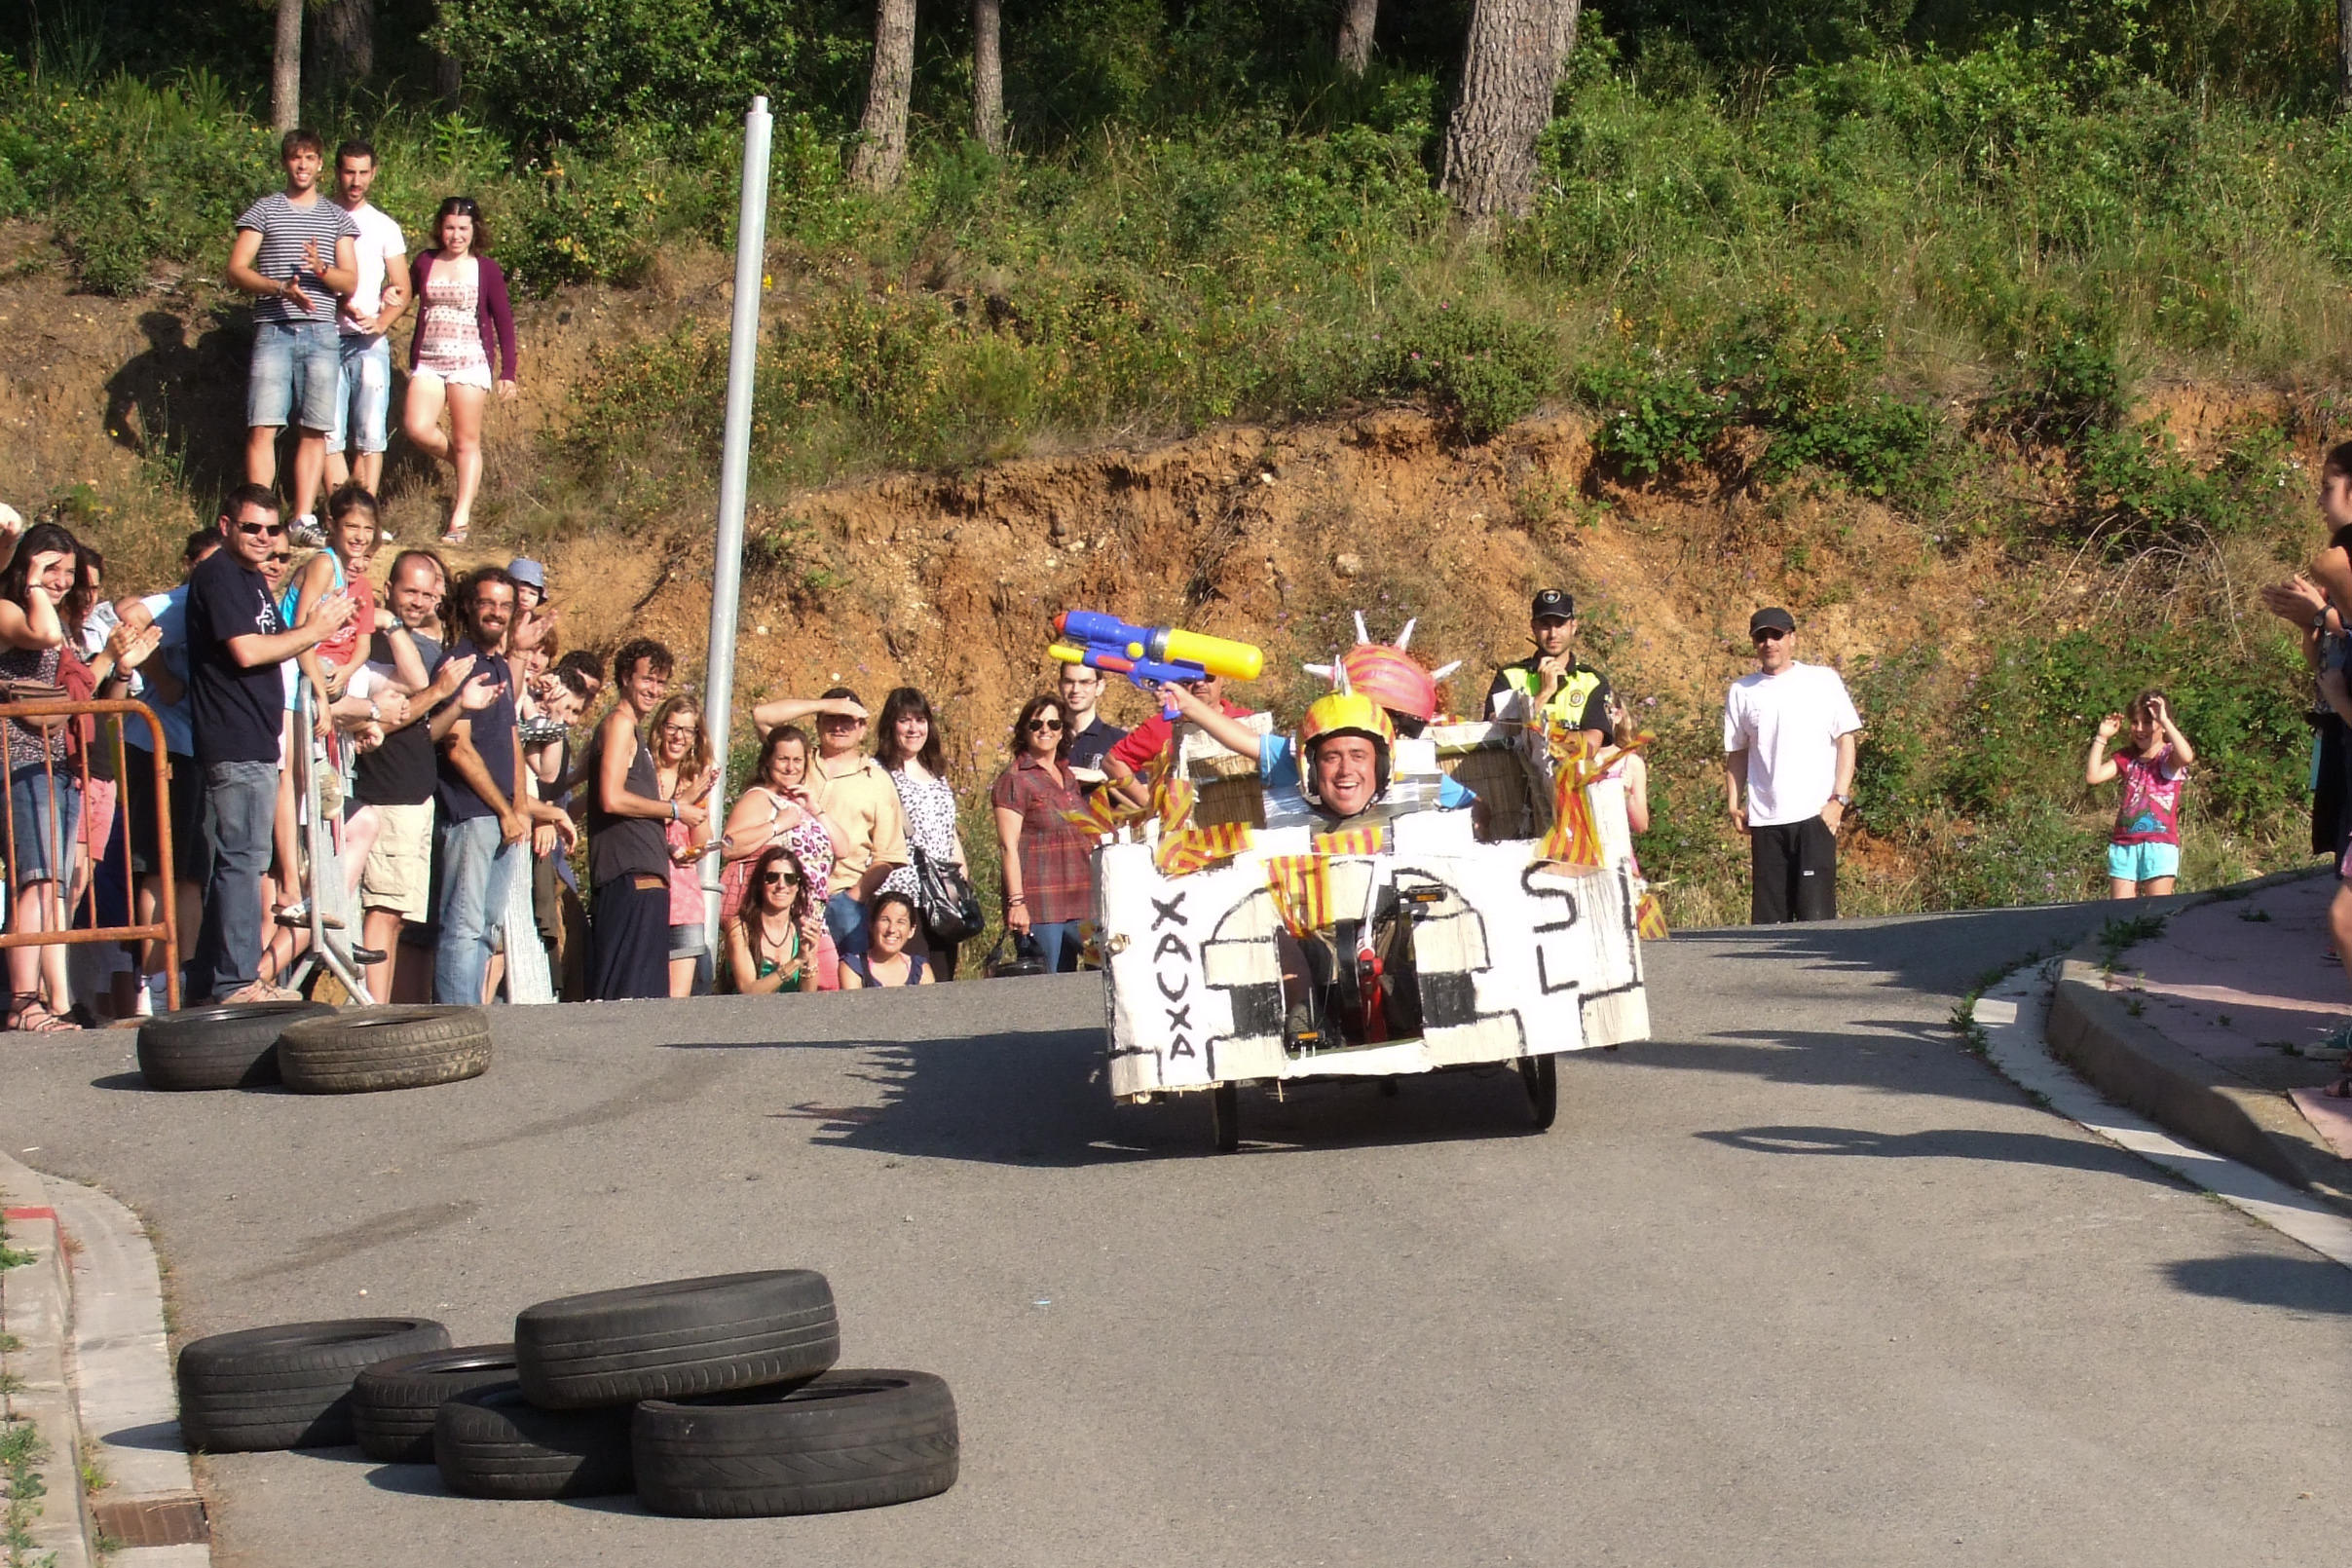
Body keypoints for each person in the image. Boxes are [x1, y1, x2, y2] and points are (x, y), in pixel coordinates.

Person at [185, 485, 354, 1004]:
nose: (263, 538)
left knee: (243, 861)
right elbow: (248, 650)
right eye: (251, 527)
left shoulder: (251, 579)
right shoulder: (219, 576)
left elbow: (279, 645)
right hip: (232, 738)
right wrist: (315, 629)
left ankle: (213, 982)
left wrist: (320, 667)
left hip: (257, 739)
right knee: (242, 862)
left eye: (272, 529)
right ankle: (236, 981)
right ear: (226, 526)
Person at [431, 567, 567, 1005]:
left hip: (504, 818)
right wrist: (506, 810)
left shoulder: (498, 667)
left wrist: (521, 807)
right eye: (487, 603)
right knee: (464, 926)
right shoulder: (459, 664)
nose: (497, 612)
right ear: (469, 606)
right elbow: (458, 748)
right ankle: (457, 1016)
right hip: (471, 814)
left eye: (505, 605)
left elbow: (511, 741)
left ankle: (472, 1011)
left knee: (487, 928)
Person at [352, 548, 474, 1003]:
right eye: (410, 592)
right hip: (386, 795)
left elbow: (420, 724)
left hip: (414, 795)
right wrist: (440, 690)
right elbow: (383, 719)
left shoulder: (412, 644)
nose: (419, 601)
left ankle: (378, 1004)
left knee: (396, 915)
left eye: (427, 594)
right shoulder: (374, 643)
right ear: (388, 589)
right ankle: (371, 1006)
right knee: (382, 909)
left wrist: (456, 703)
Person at [227, 129, 359, 548]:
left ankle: (301, 518)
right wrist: (280, 288)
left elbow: (350, 281)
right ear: (286, 163)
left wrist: (321, 269)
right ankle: (258, 519)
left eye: (310, 158)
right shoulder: (265, 209)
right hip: (274, 329)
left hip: (321, 332)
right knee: (263, 425)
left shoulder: (336, 217)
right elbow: (237, 268)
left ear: (320, 165)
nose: (302, 165)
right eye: (295, 157)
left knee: (315, 429)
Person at [121, 528, 219, 1015]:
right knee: (159, 866)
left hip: (202, 750)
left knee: (193, 872)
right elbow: (129, 612)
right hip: (161, 743)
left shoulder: (232, 599)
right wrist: (160, 675)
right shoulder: (184, 600)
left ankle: (179, 979)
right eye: (209, 564)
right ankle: (152, 981)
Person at [1723, 607, 1862, 924]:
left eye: (1776, 635)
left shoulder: (1822, 680)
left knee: (1816, 919)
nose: (1769, 643)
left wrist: (1838, 800)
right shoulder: (1742, 691)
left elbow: (1845, 740)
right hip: (1766, 820)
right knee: (1769, 924)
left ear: (1792, 638)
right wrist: (1733, 804)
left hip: (1814, 816)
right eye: (1761, 637)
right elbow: (1738, 753)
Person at [0, 522, 87, 1030]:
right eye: (52, 568)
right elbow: (45, 636)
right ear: (28, 563)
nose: (61, 581)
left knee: (52, 885)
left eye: (68, 572)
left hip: (56, 763)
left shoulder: (52, 613)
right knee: (33, 883)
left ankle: (54, 1001)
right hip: (19, 761)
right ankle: (21, 1002)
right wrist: (32, 581)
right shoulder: (10, 608)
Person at [400, 197, 517, 545]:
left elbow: (503, 321)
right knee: (417, 427)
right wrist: (386, 298)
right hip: (429, 358)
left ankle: (460, 517)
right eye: (450, 227)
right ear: (440, 229)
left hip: (470, 360)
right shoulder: (425, 261)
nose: (456, 235)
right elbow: (404, 295)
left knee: (468, 440)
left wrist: (508, 371)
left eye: (463, 228)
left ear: (474, 230)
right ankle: (464, 465)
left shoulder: (486, 269)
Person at [587, 639, 690, 1000]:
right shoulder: (619, 724)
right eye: (647, 679)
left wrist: (668, 845)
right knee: (626, 1001)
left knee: (641, 1004)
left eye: (661, 682)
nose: (654, 690)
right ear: (625, 678)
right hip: (631, 880)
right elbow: (611, 798)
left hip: (643, 879)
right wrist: (674, 809)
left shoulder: (632, 731)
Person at [787, 688, 908, 961]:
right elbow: (762, 717)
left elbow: (889, 855)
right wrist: (821, 703)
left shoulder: (877, 781)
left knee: (846, 982)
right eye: (831, 717)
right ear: (818, 722)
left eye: (848, 720)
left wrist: (854, 897)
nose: (839, 726)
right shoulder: (796, 762)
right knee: (783, 980)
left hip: (841, 902)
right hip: (785, 895)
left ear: (862, 728)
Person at [320, 139, 409, 508]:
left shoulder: (384, 226)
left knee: (370, 433)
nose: (355, 181)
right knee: (327, 432)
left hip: (368, 341)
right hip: (324, 336)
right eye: (348, 172)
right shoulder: (320, 216)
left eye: (362, 173)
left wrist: (381, 321)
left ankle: (364, 515)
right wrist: (341, 303)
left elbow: (403, 286)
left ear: (373, 173)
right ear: (337, 172)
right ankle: (340, 514)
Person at [989, 694, 1095, 973]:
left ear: (1062, 730)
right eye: (1036, 724)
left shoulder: (1067, 775)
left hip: (1083, 901)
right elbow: (1007, 846)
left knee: (1100, 976)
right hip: (1041, 905)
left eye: (1053, 723)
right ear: (1024, 730)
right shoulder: (1014, 779)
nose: (1045, 730)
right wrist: (1017, 903)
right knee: (1049, 988)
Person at [876, 687, 970, 980]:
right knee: (909, 980)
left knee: (941, 980)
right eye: (904, 720)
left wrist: (961, 879)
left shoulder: (935, 772)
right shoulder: (878, 772)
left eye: (920, 720)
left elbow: (948, 831)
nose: (913, 728)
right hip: (902, 898)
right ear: (891, 725)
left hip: (941, 899)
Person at [717, 724, 843, 926]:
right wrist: (777, 824)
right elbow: (728, 847)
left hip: (811, 915)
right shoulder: (759, 797)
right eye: (783, 759)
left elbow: (843, 849)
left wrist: (815, 809)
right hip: (773, 917)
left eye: (797, 760)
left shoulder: (803, 803)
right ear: (768, 760)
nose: (790, 767)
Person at [2086, 691, 2195, 900]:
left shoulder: (2168, 756)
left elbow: (2186, 756)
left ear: (2162, 725)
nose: (2140, 729)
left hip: (2159, 843)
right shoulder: (2127, 757)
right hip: (2124, 843)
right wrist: (2102, 737)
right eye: (2135, 723)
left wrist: (2165, 720)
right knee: (2121, 912)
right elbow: (2093, 776)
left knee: (2156, 909)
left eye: (2147, 722)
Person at [647, 694, 721, 997]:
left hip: (684, 899)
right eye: (673, 728)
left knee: (677, 1000)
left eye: (688, 730)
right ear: (660, 729)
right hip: (646, 892)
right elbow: (641, 826)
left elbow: (700, 841)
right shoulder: (643, 772)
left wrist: (698, 800)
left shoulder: (692, 778)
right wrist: (685, 800)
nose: (679, 737)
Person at [1101, 672, 1255, 807]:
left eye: (1208, 677)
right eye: (1190, 678)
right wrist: (1150, 805)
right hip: (1185, 828)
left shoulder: (1247, 722)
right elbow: (1113, 762)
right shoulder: (1160, 726)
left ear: (1223, 679)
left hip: (1246, 822)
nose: (1199, 683)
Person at [1486, 588, 1611, 752]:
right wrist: (1544, 693)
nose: (1553, 634)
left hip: (1571, 769)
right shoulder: (1509, 676)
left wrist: (1539, 734)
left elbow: (1590, 746)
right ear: (1533, 627)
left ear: (1573, 627)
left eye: (1560, 624)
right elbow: (1497, 734)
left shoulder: (1592, 681)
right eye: (1545, 625)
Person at [722, 844, 837, 994]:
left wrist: (810, 957)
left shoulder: (801, 930)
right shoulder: (740, 928)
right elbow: (748, 991)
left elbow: (808, 996)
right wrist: (796, 961)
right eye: (772, 878)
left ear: (798, 887)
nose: (781, 885)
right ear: (760, 884)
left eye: (790, 879)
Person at [837, 891, 935, 989]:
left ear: (911, 931)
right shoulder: (852, 967)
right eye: (885, 920)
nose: (891, 929)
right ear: (871, 925)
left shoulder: (921, 969)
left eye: (900, 922)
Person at [1057, 660, 1127, 785]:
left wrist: (1105, 777)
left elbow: (1142, 794)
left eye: (1084, 682)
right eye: (1069, 682)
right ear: (1060, 685)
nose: (1075, 689)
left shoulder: (1119, 741)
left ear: (1099, 687)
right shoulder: (1045, 737)